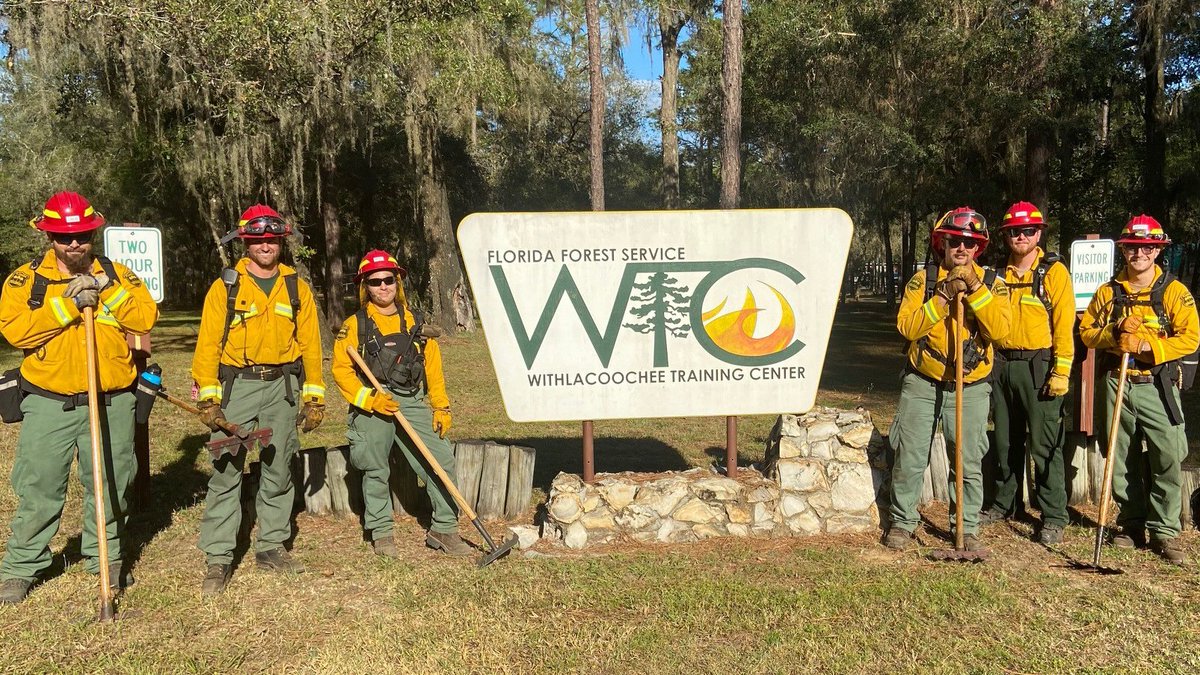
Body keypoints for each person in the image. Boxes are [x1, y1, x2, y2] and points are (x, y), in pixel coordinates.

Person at [0, 192, 158, 604]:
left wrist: (107, 290)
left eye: (82, 235)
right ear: (48, 235)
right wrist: (67, 304)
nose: (74, 244)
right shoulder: (24, 280)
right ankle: (22, 566)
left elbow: (144, 318)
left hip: (112, 401)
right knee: (39, 486)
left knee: (111, 483)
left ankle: (104, 557)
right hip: (49, 403)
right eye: (63, 236)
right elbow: (16, 331)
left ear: (93, 232)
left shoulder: (118, 274)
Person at [191, 204, 326, 594]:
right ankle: (218, 557)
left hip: (282, 387)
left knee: (279, 467)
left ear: (280, 242)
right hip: (239, 387)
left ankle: (271, 547)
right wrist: (208, 397)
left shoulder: (296, 287)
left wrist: (313, 396)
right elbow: (207, 345)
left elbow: (311, 346)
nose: (265, 245)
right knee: (226, 468)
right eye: (258, 239)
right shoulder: (227, 286)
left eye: (272, 239)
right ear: (245, 242)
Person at [884, 207, 1011, 551]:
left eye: (970, 243)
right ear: (942, 243)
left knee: (967, 460)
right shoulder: (923, 281)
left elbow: (1001, 332)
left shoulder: (993, 284)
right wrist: (941, 298)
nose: (962, 249)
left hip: (970, 386)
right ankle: (902, 521)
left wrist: (974, 290)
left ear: (979, 248)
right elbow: (907, 327)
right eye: (954, 241)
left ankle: (966, 527)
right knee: (910, 454)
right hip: (923, 380)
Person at [330, 250, 472, 557]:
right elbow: (341, 370)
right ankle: (381, 534)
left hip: (410, 401)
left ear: (398, 283)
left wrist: (442, 406)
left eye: (388, 280)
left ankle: (445, 529)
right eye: (375, 281)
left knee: (442, 461)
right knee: (375, 468)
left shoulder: (416, 322)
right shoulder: (355, 325)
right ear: (364, 286)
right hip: (373, 403)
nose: (383, 287)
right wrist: (369, 399)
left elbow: (433, 368)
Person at [1079, 215, 1197, 565]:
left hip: (1155, 382)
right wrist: (1115, 332)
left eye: (1147, 247)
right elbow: (1087, 333)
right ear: (1124, 250)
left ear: (1158, 250)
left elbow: (1191, 338)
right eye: (1132, 247)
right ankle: (1130, 524)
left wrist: (1149, 348)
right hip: (1117, 381)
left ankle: (1164, 531)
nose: (1139, 253)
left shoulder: (1174, 292)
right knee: (1120, 457)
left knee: (1168, 455)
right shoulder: (1108, 292)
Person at [979, 202, 1075, 544]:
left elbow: (1065, 326)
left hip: (1040, 367)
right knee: (1004, 441)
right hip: (1002, 365)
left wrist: (1061, 370)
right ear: (1006, 236)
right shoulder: (996, 275)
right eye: (1014, 231)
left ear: (1039, 234)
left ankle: (1053, 515)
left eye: (1028, 231)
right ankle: (1005, 505)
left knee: (1044, 443)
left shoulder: (1053, 272)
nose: (1021, 236)